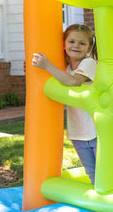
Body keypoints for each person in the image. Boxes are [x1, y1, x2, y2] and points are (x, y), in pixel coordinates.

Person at [32, 24, 98, 185]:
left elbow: (73, 82)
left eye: (82, 43)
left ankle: (109, 204)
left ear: (89, 48)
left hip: (98, 130)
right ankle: (100, 207)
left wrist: (47, 65)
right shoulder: (66, 67)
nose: (76, 45)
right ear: (64, 44)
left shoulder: (90, 63)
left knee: (104, 173)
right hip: (78, 131)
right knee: (92, 174)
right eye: (72, 41)